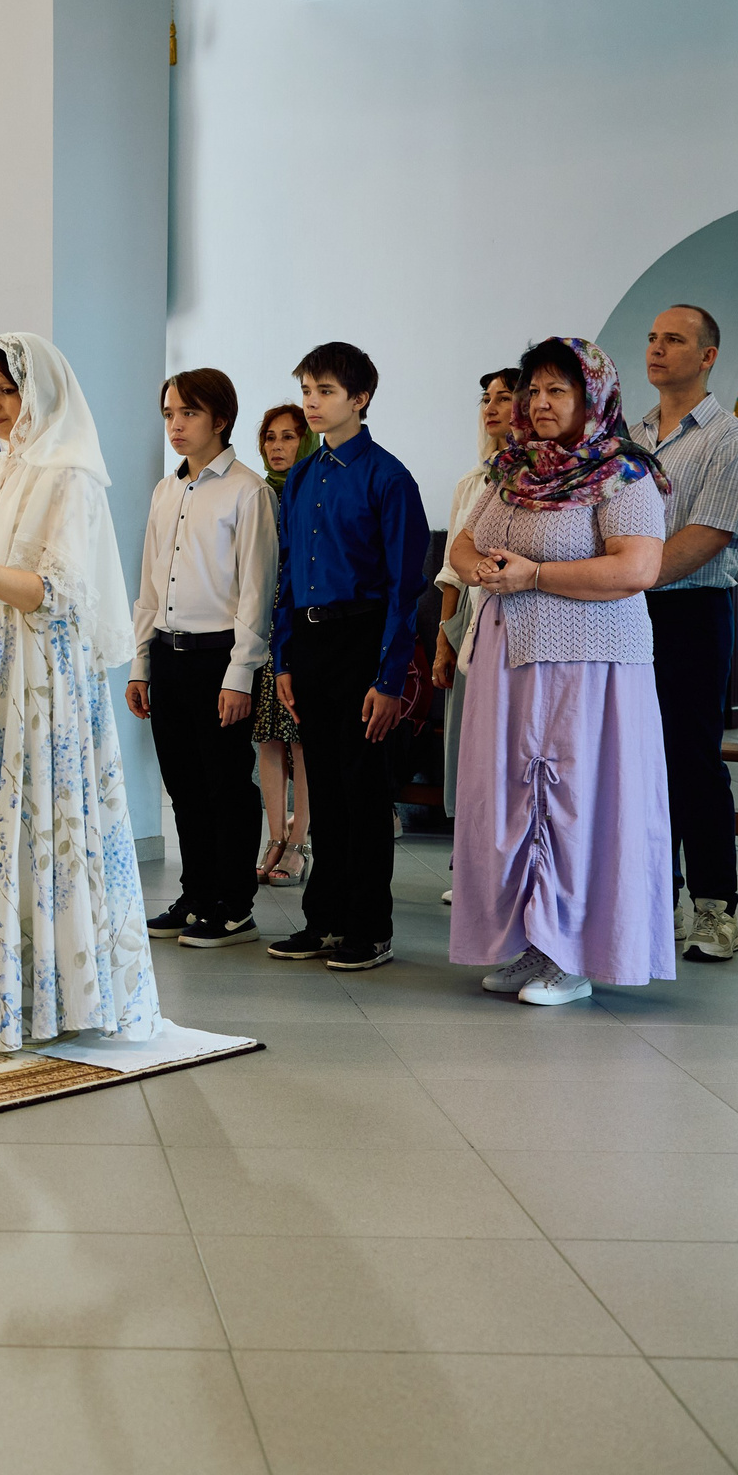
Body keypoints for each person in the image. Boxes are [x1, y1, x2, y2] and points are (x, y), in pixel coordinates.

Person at [0, 334, 161, 1051]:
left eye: (5, 390)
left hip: (38, 671)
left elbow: (52, 592)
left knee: (38, 819)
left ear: (41, 393)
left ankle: (56, 992)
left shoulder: (71, 476)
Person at [449, 337, 674, 1006]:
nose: (540, 404)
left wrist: (535, 574)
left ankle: (573, 955)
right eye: (534, 391)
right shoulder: (514, 469)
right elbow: (464, 543)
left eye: (558, 391)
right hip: (513, 661)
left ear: (591, 397)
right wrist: (480, 569)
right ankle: (531, 940)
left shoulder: (622, 472)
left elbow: (638, 567)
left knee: (576, 803)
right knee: (515, 802)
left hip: (588, 665)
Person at [263, 343, 427, 973]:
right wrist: (283, 658)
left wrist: (388, 678)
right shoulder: (304, 474)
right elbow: (287, 577)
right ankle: (323, 918)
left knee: (362, 792)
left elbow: (402, 589)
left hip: (362, 641)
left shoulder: (388, 477)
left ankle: (370, 926)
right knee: (323, 790)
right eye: (307, 389)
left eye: (325, 391)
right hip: (310, 644)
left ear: (359, 399)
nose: (312, 402)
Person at [127, 369, 276, 948]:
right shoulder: (168, 491)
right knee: (183, 783)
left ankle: (234, 904)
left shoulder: (248, 490)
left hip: (220, 657)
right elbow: (148, 586)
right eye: (168, 414)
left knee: (225, 784)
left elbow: (255, 592)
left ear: (220, 419)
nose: (176, 425)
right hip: (167, 653)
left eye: (187, 413)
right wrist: (141, 663)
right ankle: (196, 892)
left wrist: (241, 674)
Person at [634, 304, 738, 965]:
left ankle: (714, 907)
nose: (657, 348)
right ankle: (658, 897)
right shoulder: (628, 438)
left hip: (691, 610)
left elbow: (709, 534)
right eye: (653, 338)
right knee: (637, 763)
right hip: (627, 612)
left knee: (690, 759)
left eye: (674, 339)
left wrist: (627, 571)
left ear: (708, 355)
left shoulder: (728, 440)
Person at [431, 368, 527, 847]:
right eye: (485, 399)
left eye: (503, 398)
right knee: (468, 744)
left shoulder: (539, 477)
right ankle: (468, 854)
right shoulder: (473, 481)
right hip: (470, 617)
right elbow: (452, 568)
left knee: (510, 743)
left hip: (522, 611)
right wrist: (443, 643)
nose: (490, 408)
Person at [250, 405, 317, 888]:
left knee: (300, 735)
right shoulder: (256, 492)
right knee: (267, 734)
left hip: (301, 622)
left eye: (289, 437)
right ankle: (274, 835)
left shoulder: (314, 489)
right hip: (262, 621)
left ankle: (299, 841)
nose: (277, 446)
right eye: (270, 437)